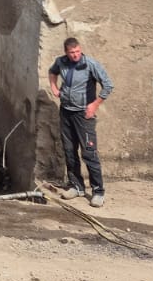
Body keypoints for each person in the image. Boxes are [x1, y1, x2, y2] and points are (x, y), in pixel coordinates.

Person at [48, 37, 113, 207]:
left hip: (84, 115)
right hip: (66, 112)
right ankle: (76, 186)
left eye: (77, 51)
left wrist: (94, 105)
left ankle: (98, 191)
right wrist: (54, 87)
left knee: (89, 153)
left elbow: (108, 85)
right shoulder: (60, 62)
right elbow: (52, 72)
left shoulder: (90, 64)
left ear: (80, 49)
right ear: (66, 52)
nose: (75, 55)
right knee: (69, 151)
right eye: (72, 53)